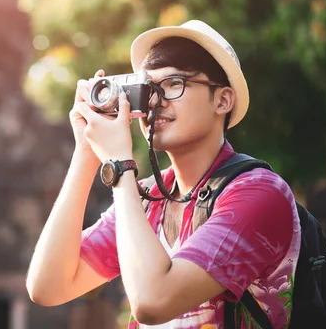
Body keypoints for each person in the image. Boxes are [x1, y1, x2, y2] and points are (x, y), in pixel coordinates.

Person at [25, 20, 301, 328]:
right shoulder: (147, 198)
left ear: (222, 100)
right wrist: (86, 152)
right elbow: (47, 287)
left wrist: (119, 165)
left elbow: (153, 302)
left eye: (174, 84)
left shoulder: (260, 193)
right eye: (148, 88)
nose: (155, 101)